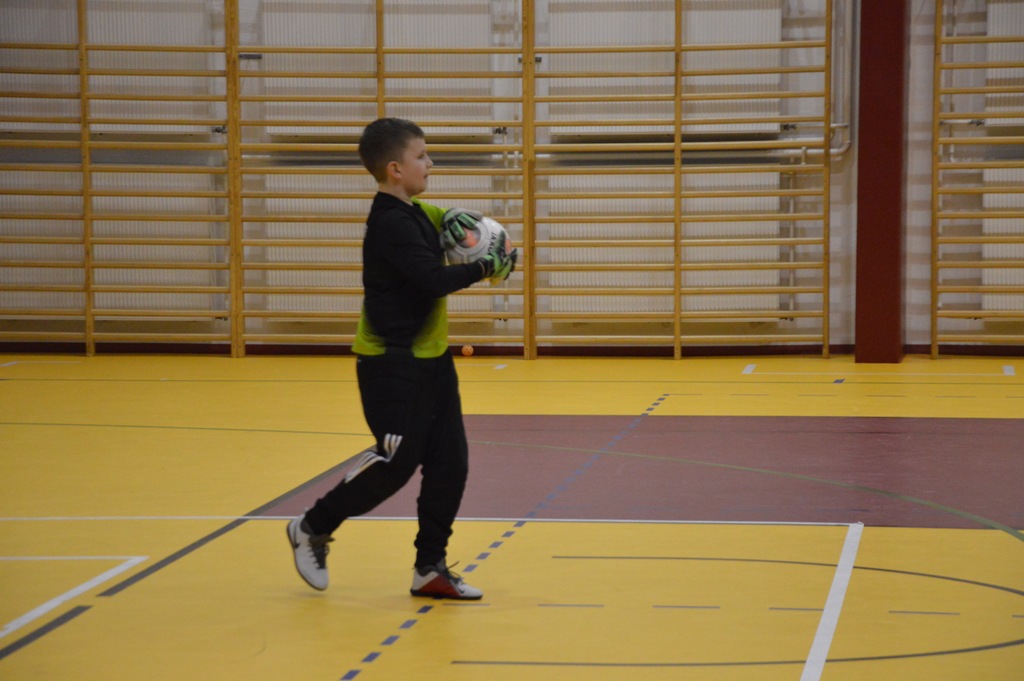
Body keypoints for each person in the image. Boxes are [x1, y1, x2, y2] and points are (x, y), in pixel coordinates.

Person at [285, 117, 516, 600]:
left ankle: (429, 568)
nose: (430, 163)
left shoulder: (422, 212)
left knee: (450, 464)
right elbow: (432, 281)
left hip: (432, 361)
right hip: (391, 365)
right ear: (395, 168)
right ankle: (311, 526)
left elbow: (455, 223)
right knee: (396, 461)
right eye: (422, 156)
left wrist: (486, 236)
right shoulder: (389, 224)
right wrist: (484, 266)